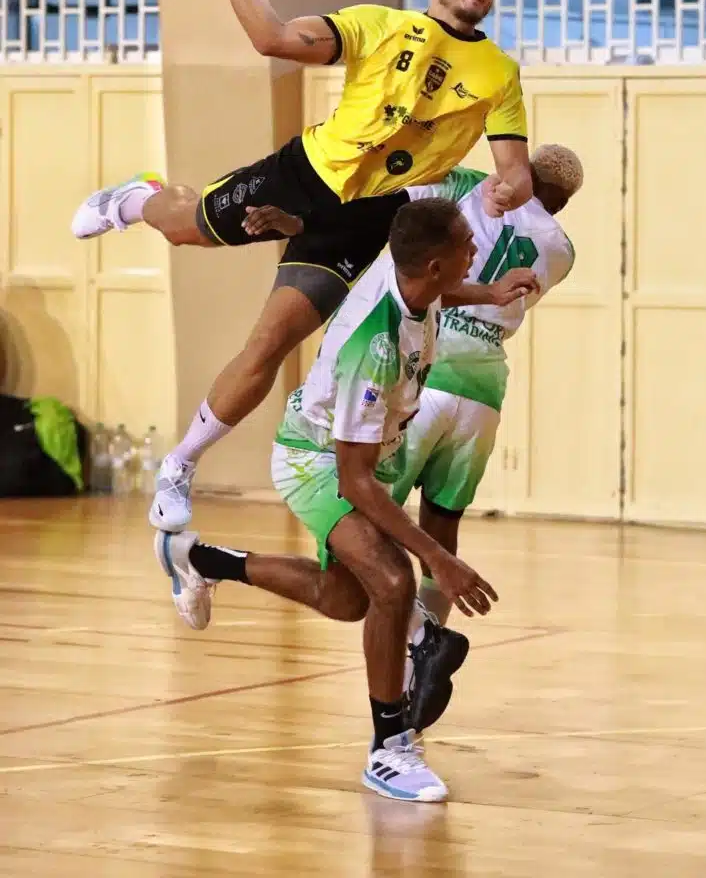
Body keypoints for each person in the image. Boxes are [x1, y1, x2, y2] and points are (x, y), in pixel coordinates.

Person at [70, 0, 532, 534]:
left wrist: (509, 189)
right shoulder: (379, 24)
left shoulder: (498, 71)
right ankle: (135, 199)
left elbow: (517, 172)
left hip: (368, 217)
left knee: (269, 344)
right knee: (187, 229)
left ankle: (179, 466)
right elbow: (272, 38)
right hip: (308, 175)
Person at [154, 197, 540, 803]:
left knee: (344, 600)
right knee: (392, 583)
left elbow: (442, 293)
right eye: (469, 245)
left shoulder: (416, 278)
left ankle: (198, 560)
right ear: (436, 265)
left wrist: (489, 295)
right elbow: (354, 479)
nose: (478, 251)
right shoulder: (375, 345)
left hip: (362, 457)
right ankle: (389, 750)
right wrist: (438, 557)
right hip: (317, 463)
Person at [393, 145, 583, 734]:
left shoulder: (471, 186)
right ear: (566, 201)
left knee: (366, 516)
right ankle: (419, 668)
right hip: (483, 389)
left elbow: (417, 181)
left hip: (426, 370)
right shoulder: (561, 250)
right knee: (442, 521)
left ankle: (418, 640)